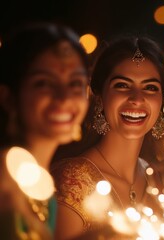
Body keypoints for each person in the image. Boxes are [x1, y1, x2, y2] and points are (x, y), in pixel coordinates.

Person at [51, 35, 164, 240]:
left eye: (150, 88)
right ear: (99, 96)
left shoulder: (154, 179)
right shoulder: (72, 182)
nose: (137, 99)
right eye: (122, 85)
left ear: (162, 102)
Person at [0, 22, 89, 239]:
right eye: (44, 84)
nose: (64, 98)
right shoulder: (5, 187)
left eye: (75, 84)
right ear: (9, 98)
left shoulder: (42, 187)